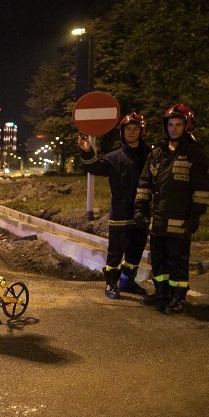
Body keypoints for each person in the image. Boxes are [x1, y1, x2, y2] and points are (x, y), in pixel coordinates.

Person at [133, 103, 209, 314]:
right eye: (170, 124)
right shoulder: (157, 154)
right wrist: (140, 209)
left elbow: (202, 189)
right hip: (158, 220)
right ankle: (161, 292)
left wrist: (195, 215)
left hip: (180, 220)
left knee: (177, 262)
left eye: (178, 124)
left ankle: (178, 296)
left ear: (187, 126)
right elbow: (144, 185)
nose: (174, 128)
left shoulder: (195, 155)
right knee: (158, 260)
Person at [78, 112, 150, 299]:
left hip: (143, 213)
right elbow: (94, 167)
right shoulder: (115, 157)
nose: (131, 132)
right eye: (128, 129)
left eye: (135, 129)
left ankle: (127, 282)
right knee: (115, 253)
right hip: (120, 213)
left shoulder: (151, 156)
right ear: (122, 132)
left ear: (142, 132)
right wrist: (87, 152)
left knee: (136, 250)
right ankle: (111, 284)